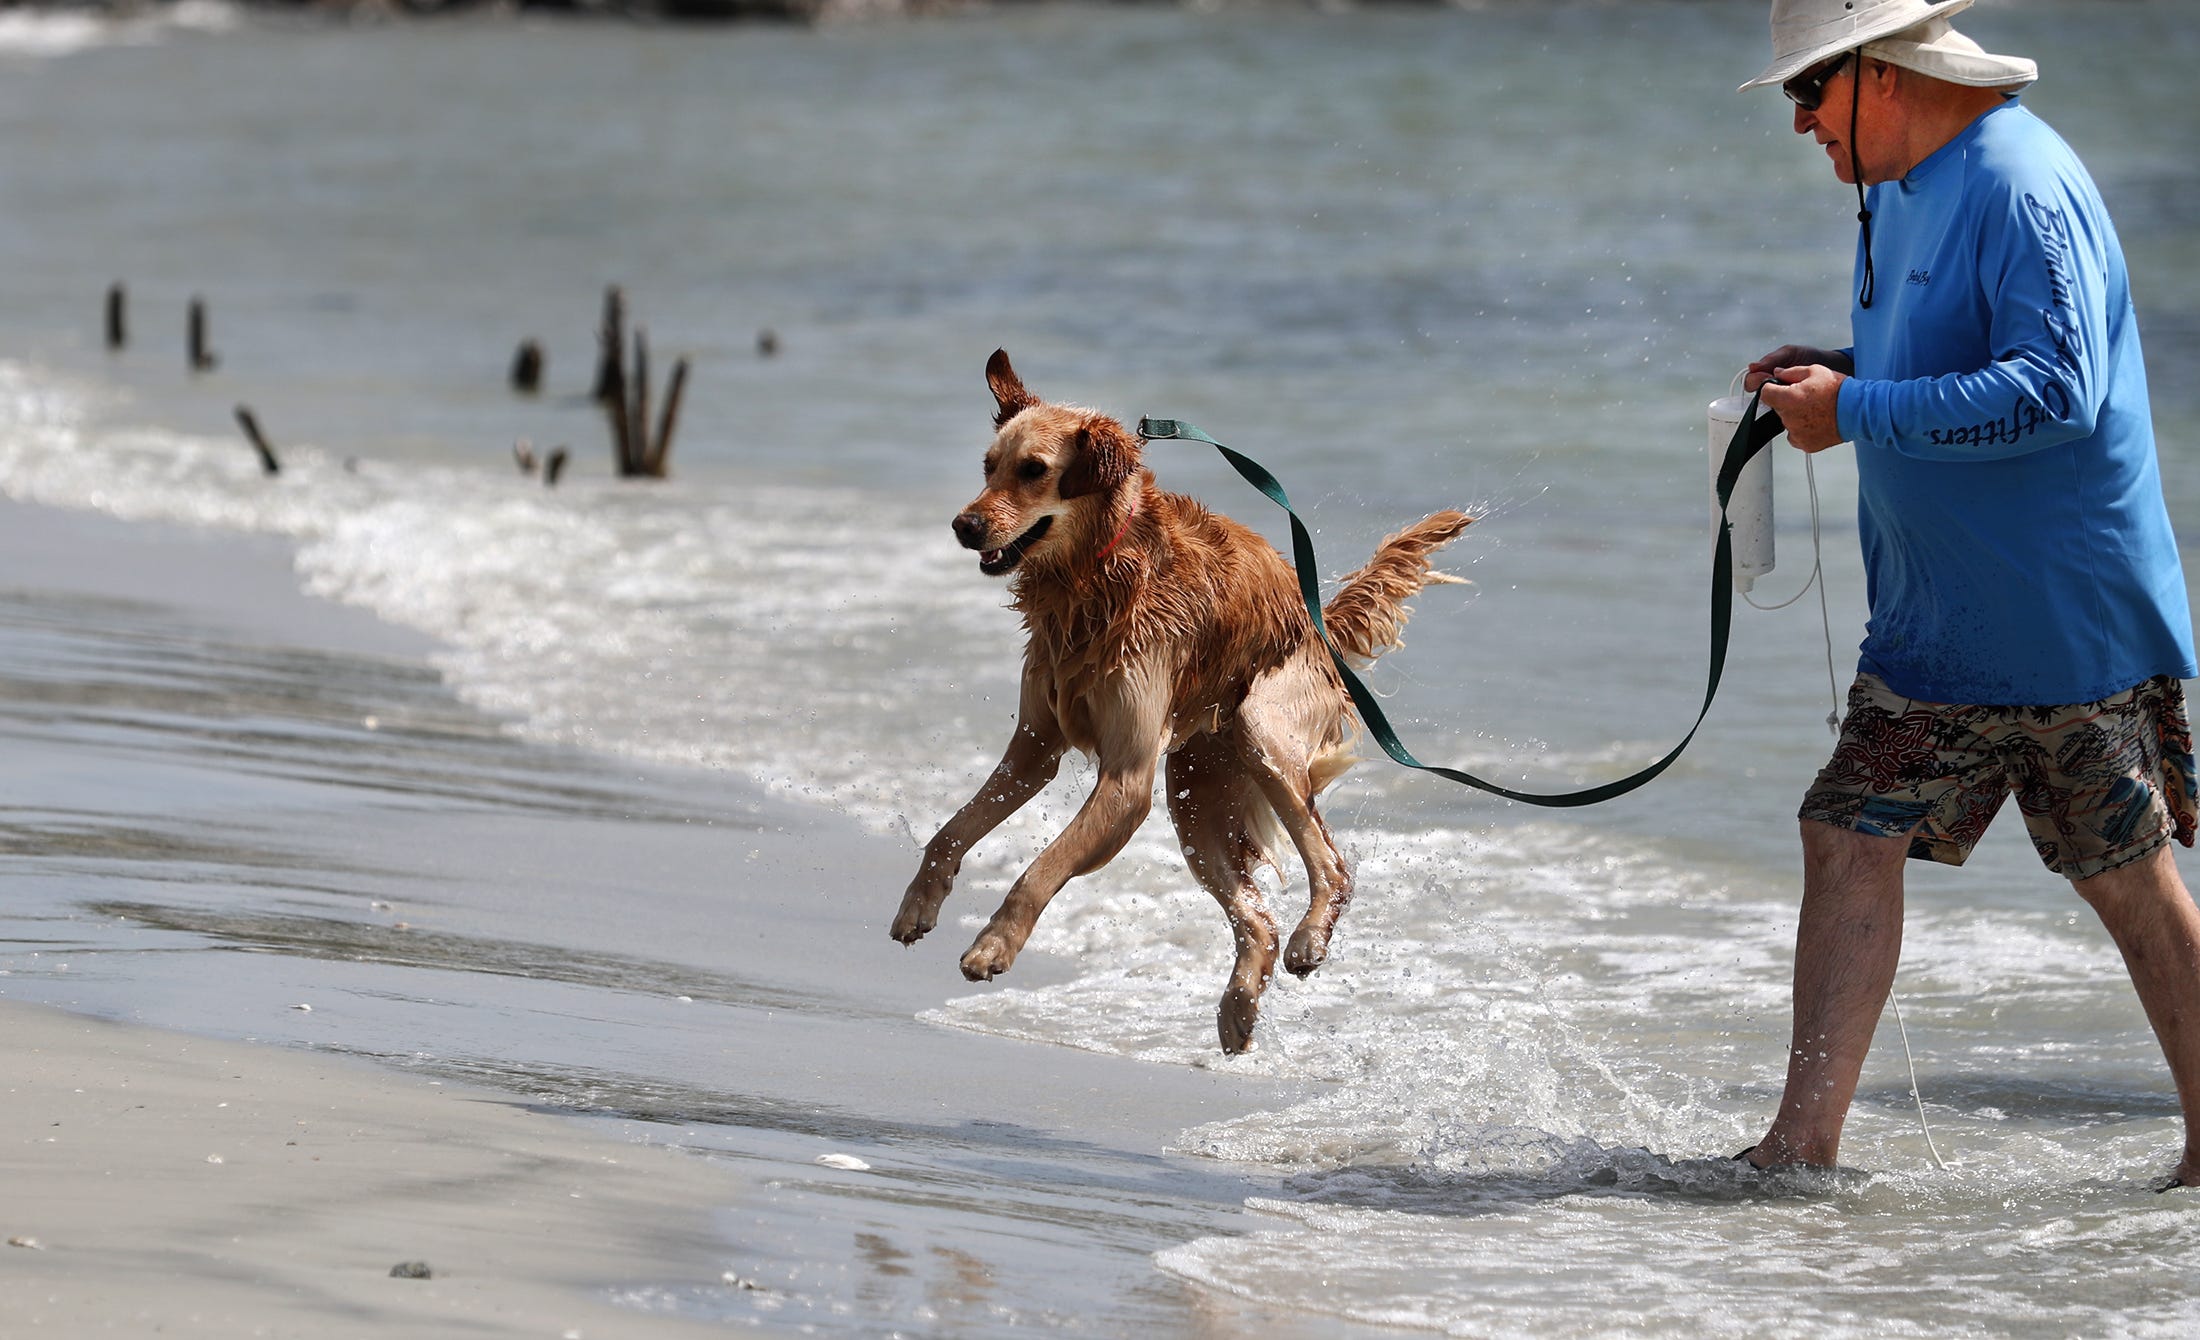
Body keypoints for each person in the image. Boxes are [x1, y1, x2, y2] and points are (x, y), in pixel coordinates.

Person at [1733, 0, 2200, 1186]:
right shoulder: (1892, 178)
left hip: (2057, 617)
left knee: (2115, 869)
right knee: (1851, 831)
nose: (1797, 124)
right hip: (1940, 622)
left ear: (1880, 75)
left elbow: (2054, 393)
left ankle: (1799, 1152)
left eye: (1807, 94)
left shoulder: (2018, 183)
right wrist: (1839, 371)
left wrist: (1854, 413)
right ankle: (1799, 1151)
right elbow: (1955, 359)